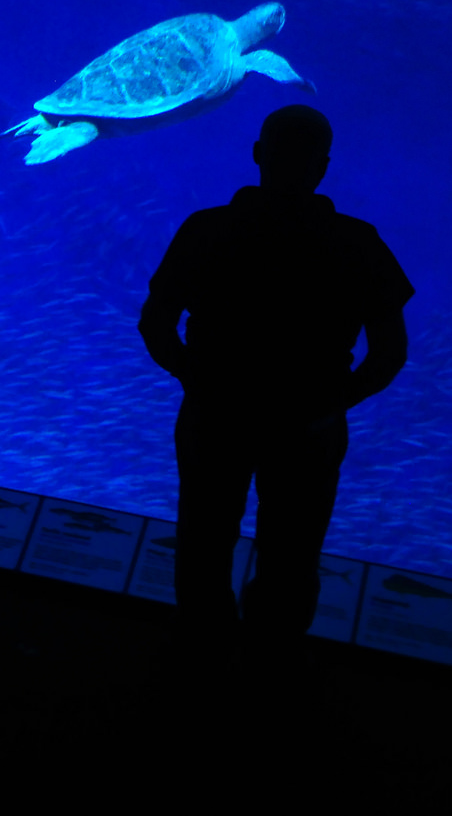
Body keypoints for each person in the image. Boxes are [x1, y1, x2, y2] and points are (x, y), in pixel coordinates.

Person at [138, 104, 411, 674]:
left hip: (214, 419)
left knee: (203, 545)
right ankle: (271, 676)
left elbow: (155, 324)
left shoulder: (206, 228)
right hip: (308, 431)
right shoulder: (359, 243)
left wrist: (198, 380)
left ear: (258, 152)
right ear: (325, 167)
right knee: (292, 556)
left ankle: (198, 667)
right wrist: (330, 405)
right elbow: (389, 355)